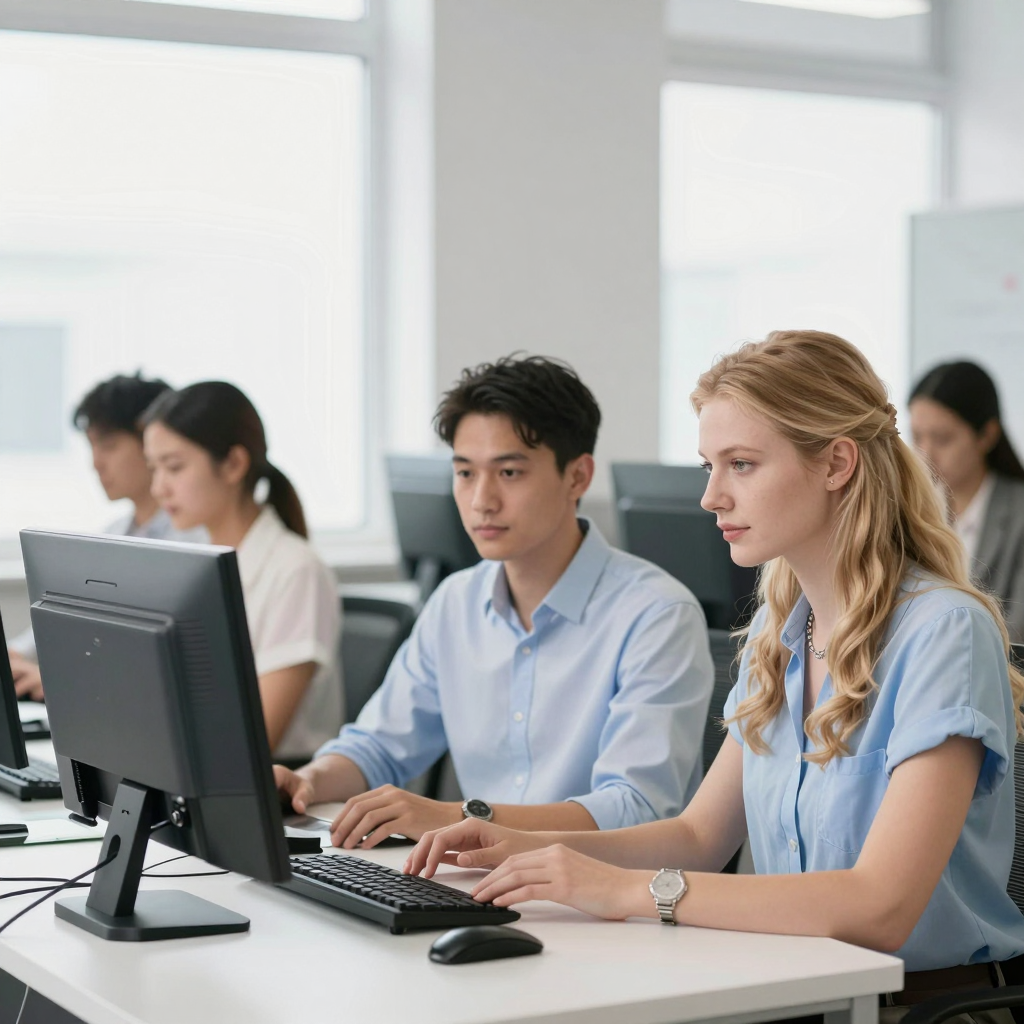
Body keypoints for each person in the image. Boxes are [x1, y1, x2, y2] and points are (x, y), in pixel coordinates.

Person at [407, 332, 1024, 1017]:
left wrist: (621, 891)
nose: (711, 497)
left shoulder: (941, 631)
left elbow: (879, 908)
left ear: (836, 463)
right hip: (797, 994)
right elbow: (701, 837)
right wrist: (521, 846)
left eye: (741, 464)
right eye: (709, 466)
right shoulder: (779, 630)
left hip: (919, 1010)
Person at [275, 355, 714, 847]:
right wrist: (308, 781)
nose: (481, 499)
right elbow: (378, 746)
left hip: (601, 898)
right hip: (476, 882)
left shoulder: (656, 615)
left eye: (508, 473)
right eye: (465, 473)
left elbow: (637, 807)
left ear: (578, 477)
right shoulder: (456, 602)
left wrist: (461, 816)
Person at [141, 381, 342, 761]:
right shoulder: (191, 561)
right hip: (195, 771)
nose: (159, 488)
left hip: (280, 791)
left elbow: (254, 740)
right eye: (153, 468)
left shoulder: (296, 571)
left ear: (233, 464)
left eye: (174, 467)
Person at [8, 372, 206, 701]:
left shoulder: (197, 544)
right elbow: (45, 639)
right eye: (91, 447)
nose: (96, 463)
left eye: (109, 446)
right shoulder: (112, 538)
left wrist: (60, 677)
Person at [909, 360, 1024, 643]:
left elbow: (1017, 635)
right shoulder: (912, 513)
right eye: (916, 437)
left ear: (987, 435)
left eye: (943, 439)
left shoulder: (1019, 514)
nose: (925, 454)